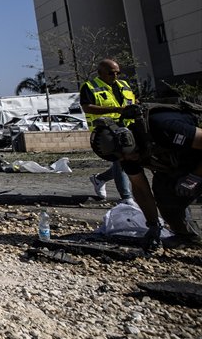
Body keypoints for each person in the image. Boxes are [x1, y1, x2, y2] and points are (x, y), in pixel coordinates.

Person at [90, 101, 202, 251]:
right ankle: (187, 237)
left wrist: (195, 177)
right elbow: (141, 189)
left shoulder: (162, 126)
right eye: (120, 159)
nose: (125, 160)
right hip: (185, 163)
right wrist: (153, 225)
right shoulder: (126, 155)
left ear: (127, 140)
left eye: (124, 156)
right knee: (164, 191)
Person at [80, 59, 137, 203]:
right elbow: (87, 107)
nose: (115, 76)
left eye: (118, 73)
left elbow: (133, 102)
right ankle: (126, 197)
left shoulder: (124, 85)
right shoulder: (89, 86)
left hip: (127, 128)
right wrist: (115, 109)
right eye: (111, 73)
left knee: (128, 160)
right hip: (106, 131)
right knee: (120, 160)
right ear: (100, 73)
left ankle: (99, 179)